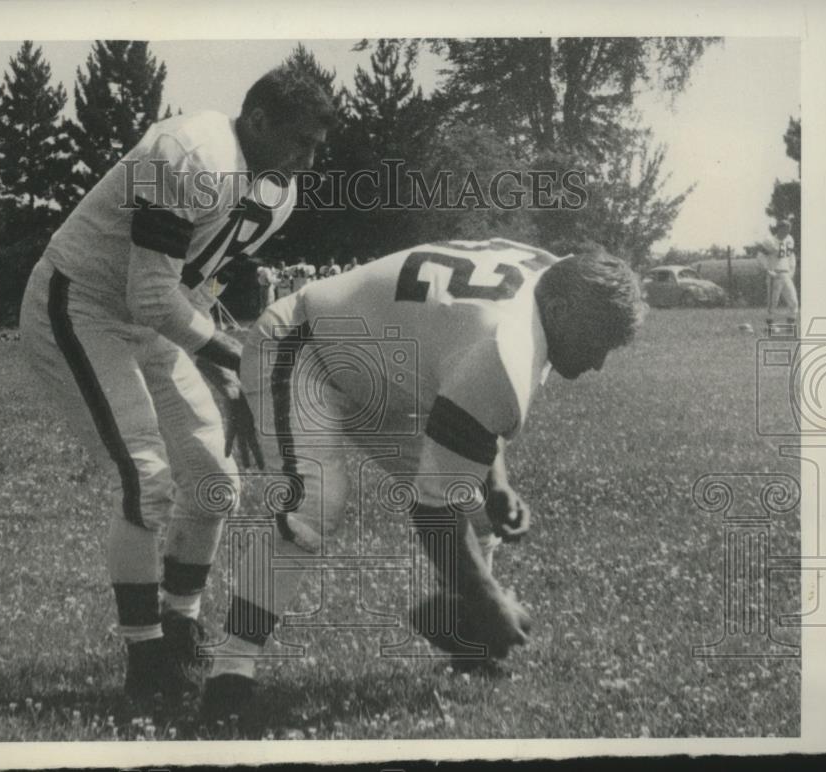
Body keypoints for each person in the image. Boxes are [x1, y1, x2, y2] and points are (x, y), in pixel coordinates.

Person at [198, 237, 645, 726]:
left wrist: (495, 483)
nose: (599, 361)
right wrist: (488, 596)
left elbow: (470, 391)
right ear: (559, 310)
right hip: (306, 348)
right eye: (598, 342)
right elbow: (434, 508)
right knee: (315, 503)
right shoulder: (508, 339)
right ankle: (231, 673)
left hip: (383, 366)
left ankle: (469, 640)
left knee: (476, 505)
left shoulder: (558, 281)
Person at [18, 65, 334, 704]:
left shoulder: (276, 190)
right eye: (299, 140)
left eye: (316, 146)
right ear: (259, 119)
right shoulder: (191, 150)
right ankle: (146, 656)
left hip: (149, 317)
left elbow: (189, 288)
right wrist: (238, 358)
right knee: (147, 477)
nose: (307, 157)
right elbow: (150, 292)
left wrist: (229, 376)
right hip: (81, 304)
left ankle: (180, 623)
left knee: (216, 481)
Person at [760, 220, 799, 333]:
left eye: (789, 229)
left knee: (794, 301)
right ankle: (770, 326)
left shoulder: (789, 239)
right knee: (773, 301)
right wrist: (768, 270)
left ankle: (790, 327)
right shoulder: (770, 241)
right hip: (775, 273)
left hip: (786, 274)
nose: (788, 231)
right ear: (780, 228)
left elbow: (791, 256)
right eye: (786, 229)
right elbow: (760, 256)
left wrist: (792, 270)